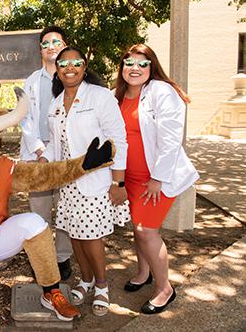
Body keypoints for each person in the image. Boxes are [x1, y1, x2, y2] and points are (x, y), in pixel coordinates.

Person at [40, 46, 130, 317]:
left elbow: (118, 140)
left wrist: (118, 183)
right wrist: (44, 165)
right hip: (68, 184)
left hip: (95, 181)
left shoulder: (101, 96)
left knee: (92, 237)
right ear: (57, 69)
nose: (70, 68)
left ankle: (102, 286)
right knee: (75, 236)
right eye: (64, 64)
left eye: (76, 63)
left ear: (84, 65)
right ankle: (86, 280)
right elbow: (55, 148)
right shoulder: (55, 104)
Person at [114, 44, 198, 314]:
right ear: (122, 67)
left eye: (142, 63)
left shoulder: (162, 92)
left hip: (157, 180)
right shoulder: (117, 95)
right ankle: (143, 272)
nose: (135, 68)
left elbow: (172, 139)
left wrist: (158, 179)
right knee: (136, 230)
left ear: (152, 67)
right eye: (129, 63)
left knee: (146, 231)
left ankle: (165, 289)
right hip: (131, 179)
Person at [19, 25, 73, 280]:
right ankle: (42, 257)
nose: (51, 46)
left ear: (65, 46)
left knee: (65, 207)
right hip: (37, 154)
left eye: (56, 41)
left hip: (66, 154)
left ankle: (62, 257)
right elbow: (25, 118)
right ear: (39, 50)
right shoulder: (31, 81)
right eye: (46, 43)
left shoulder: (74, 78)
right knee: (38, 210)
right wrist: (40, 151)